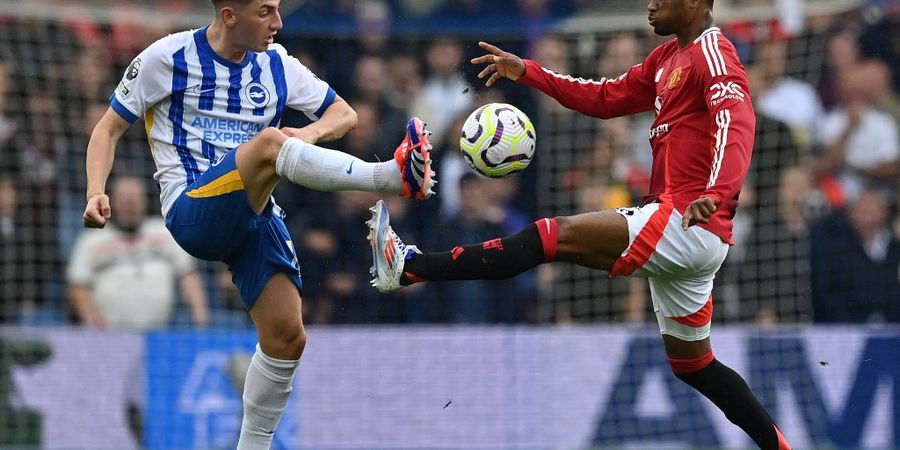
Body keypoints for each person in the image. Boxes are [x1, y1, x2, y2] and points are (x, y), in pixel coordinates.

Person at [367, 0, 790, 447]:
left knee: (553, 235)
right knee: (694, 364)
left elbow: (736, 123)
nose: (650, 5)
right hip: (689, 231)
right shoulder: (666, 59)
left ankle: (411, 267)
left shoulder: (714, 54)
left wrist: (716, 193)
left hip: (685, 219)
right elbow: (606, 98)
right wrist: (529, 72)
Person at [81, 0, 435, 448]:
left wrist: (305, 135)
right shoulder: (166, 58)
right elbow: (106, 129)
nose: (279, 23)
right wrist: (96, 190)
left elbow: (344, 114)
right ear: (230, 15)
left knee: (287, 337)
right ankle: (390, 176)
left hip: (254, 215)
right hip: (193, 210)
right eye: (266, 11)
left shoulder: (277, 65)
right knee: (269, 143)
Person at [67, 175, 210, 330]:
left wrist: (201, 322)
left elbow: (188, 274)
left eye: (135, 198)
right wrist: (92, 320)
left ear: (145, 201)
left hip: (159, 336)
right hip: (106, 339)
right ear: (111, 201)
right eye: (124, 198)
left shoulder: (165, 231)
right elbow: (77, 285)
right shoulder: (92, 239)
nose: (130, 204)